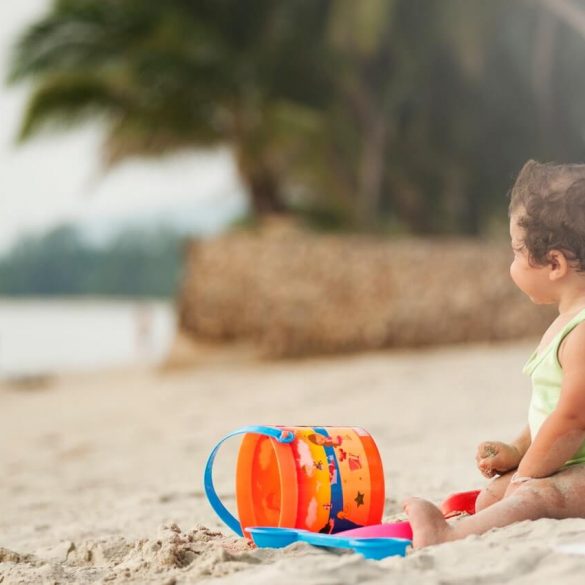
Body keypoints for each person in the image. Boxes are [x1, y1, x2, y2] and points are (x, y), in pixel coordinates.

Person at [404, 160, 585, 548]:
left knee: (535, 495)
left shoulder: (584, 331)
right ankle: (480, 518)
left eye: (517, 253)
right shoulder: (569, 321)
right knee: (493, 496)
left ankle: (442, 535)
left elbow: (573, 417)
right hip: (573, 460)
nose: (512, 265)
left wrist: (530, 473)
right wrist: (519, 450)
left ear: (554, 264)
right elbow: (553, 411)